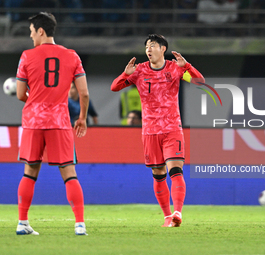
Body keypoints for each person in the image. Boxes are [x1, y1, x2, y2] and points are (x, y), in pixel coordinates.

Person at [110, 34, 205, 227]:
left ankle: (178, 212)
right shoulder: (139, 71)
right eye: (146, 46)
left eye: (152, 46)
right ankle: (167, 216)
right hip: (150, 131)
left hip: (172, 128)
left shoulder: (174, 68)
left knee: (175, 170)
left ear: (163, 49)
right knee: (158, 173)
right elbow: (114, 87)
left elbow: (200, 81)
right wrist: (125, 73)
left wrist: (187, 66)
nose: (148, 49)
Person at [16, 12, 89, 235]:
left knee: (30, 172)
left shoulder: (27, 56)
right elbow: (84, 94)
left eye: (31, 32)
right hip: (59, 121)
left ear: (41, 31)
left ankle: (22, 223)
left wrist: (37, 101)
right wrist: (82, 118)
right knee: (69, 173)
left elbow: (20, 94)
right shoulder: (72, 56)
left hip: (33, 122)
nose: (31, 37)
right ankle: (79, 224)